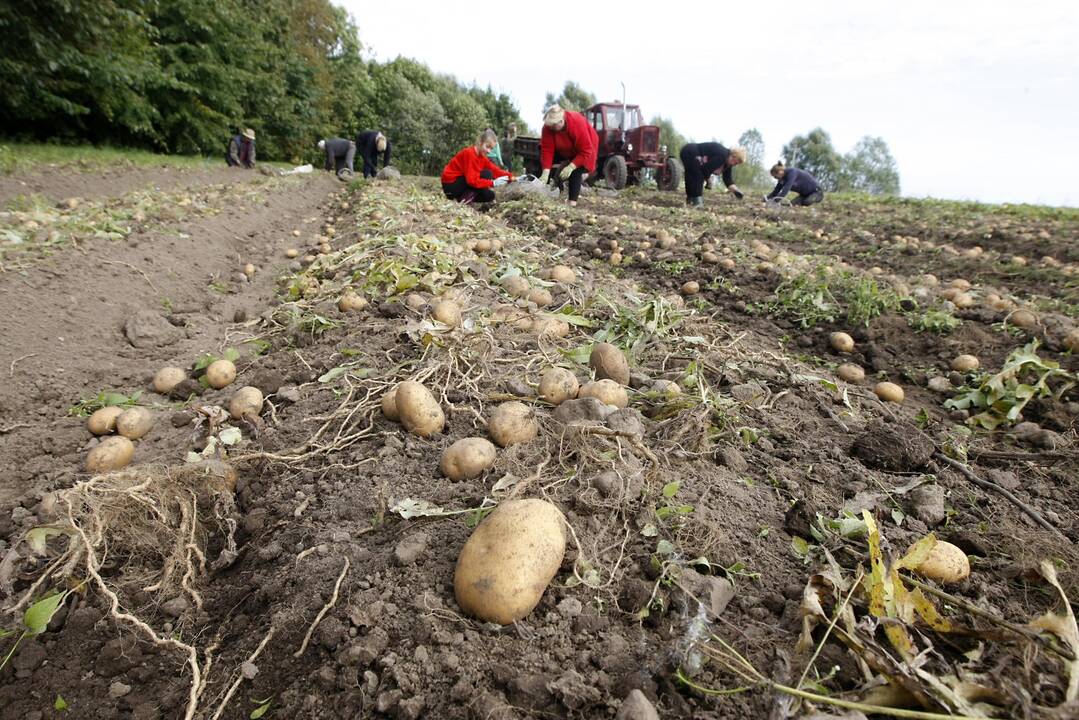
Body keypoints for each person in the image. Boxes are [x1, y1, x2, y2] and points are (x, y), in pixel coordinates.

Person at [538, 104, 598, 206]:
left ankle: (572, 202)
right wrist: (545, 171)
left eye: (553, 126)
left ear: (561, 121)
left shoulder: (576, 122)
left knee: (575, 171)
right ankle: (551, 189)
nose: (550, 128)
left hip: (586, 148)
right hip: (564, 147)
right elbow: (547, 150)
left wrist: (571, 166)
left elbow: (585, 151)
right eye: (549, 125)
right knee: (543, 158)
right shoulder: (549, 126)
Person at [441, 129, 514, 204]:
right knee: (487, 174)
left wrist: (511, 177)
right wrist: (493, 183)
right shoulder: (469, 153)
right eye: (487, 147)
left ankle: (463, 198)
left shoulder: (482, 157)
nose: (489, 151)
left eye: (491, 148)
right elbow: (471, 180)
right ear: (480, 142)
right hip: (450, 185)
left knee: (489, 195)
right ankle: (464, 200)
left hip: (462, 182)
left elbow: (495, 170)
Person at [679, 142, 746, 206]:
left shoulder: (728, 163)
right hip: (690, 152)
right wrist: (709, 181)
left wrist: (736, 191)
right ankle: (696, 200)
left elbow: (728, 180)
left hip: (691, 154)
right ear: (733, 155)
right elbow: (705, 170)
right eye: (736, 162)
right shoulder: (722, 155)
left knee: (692, 175)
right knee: (697, 175)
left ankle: (691, 199)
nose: (734, 164)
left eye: (736, 163)